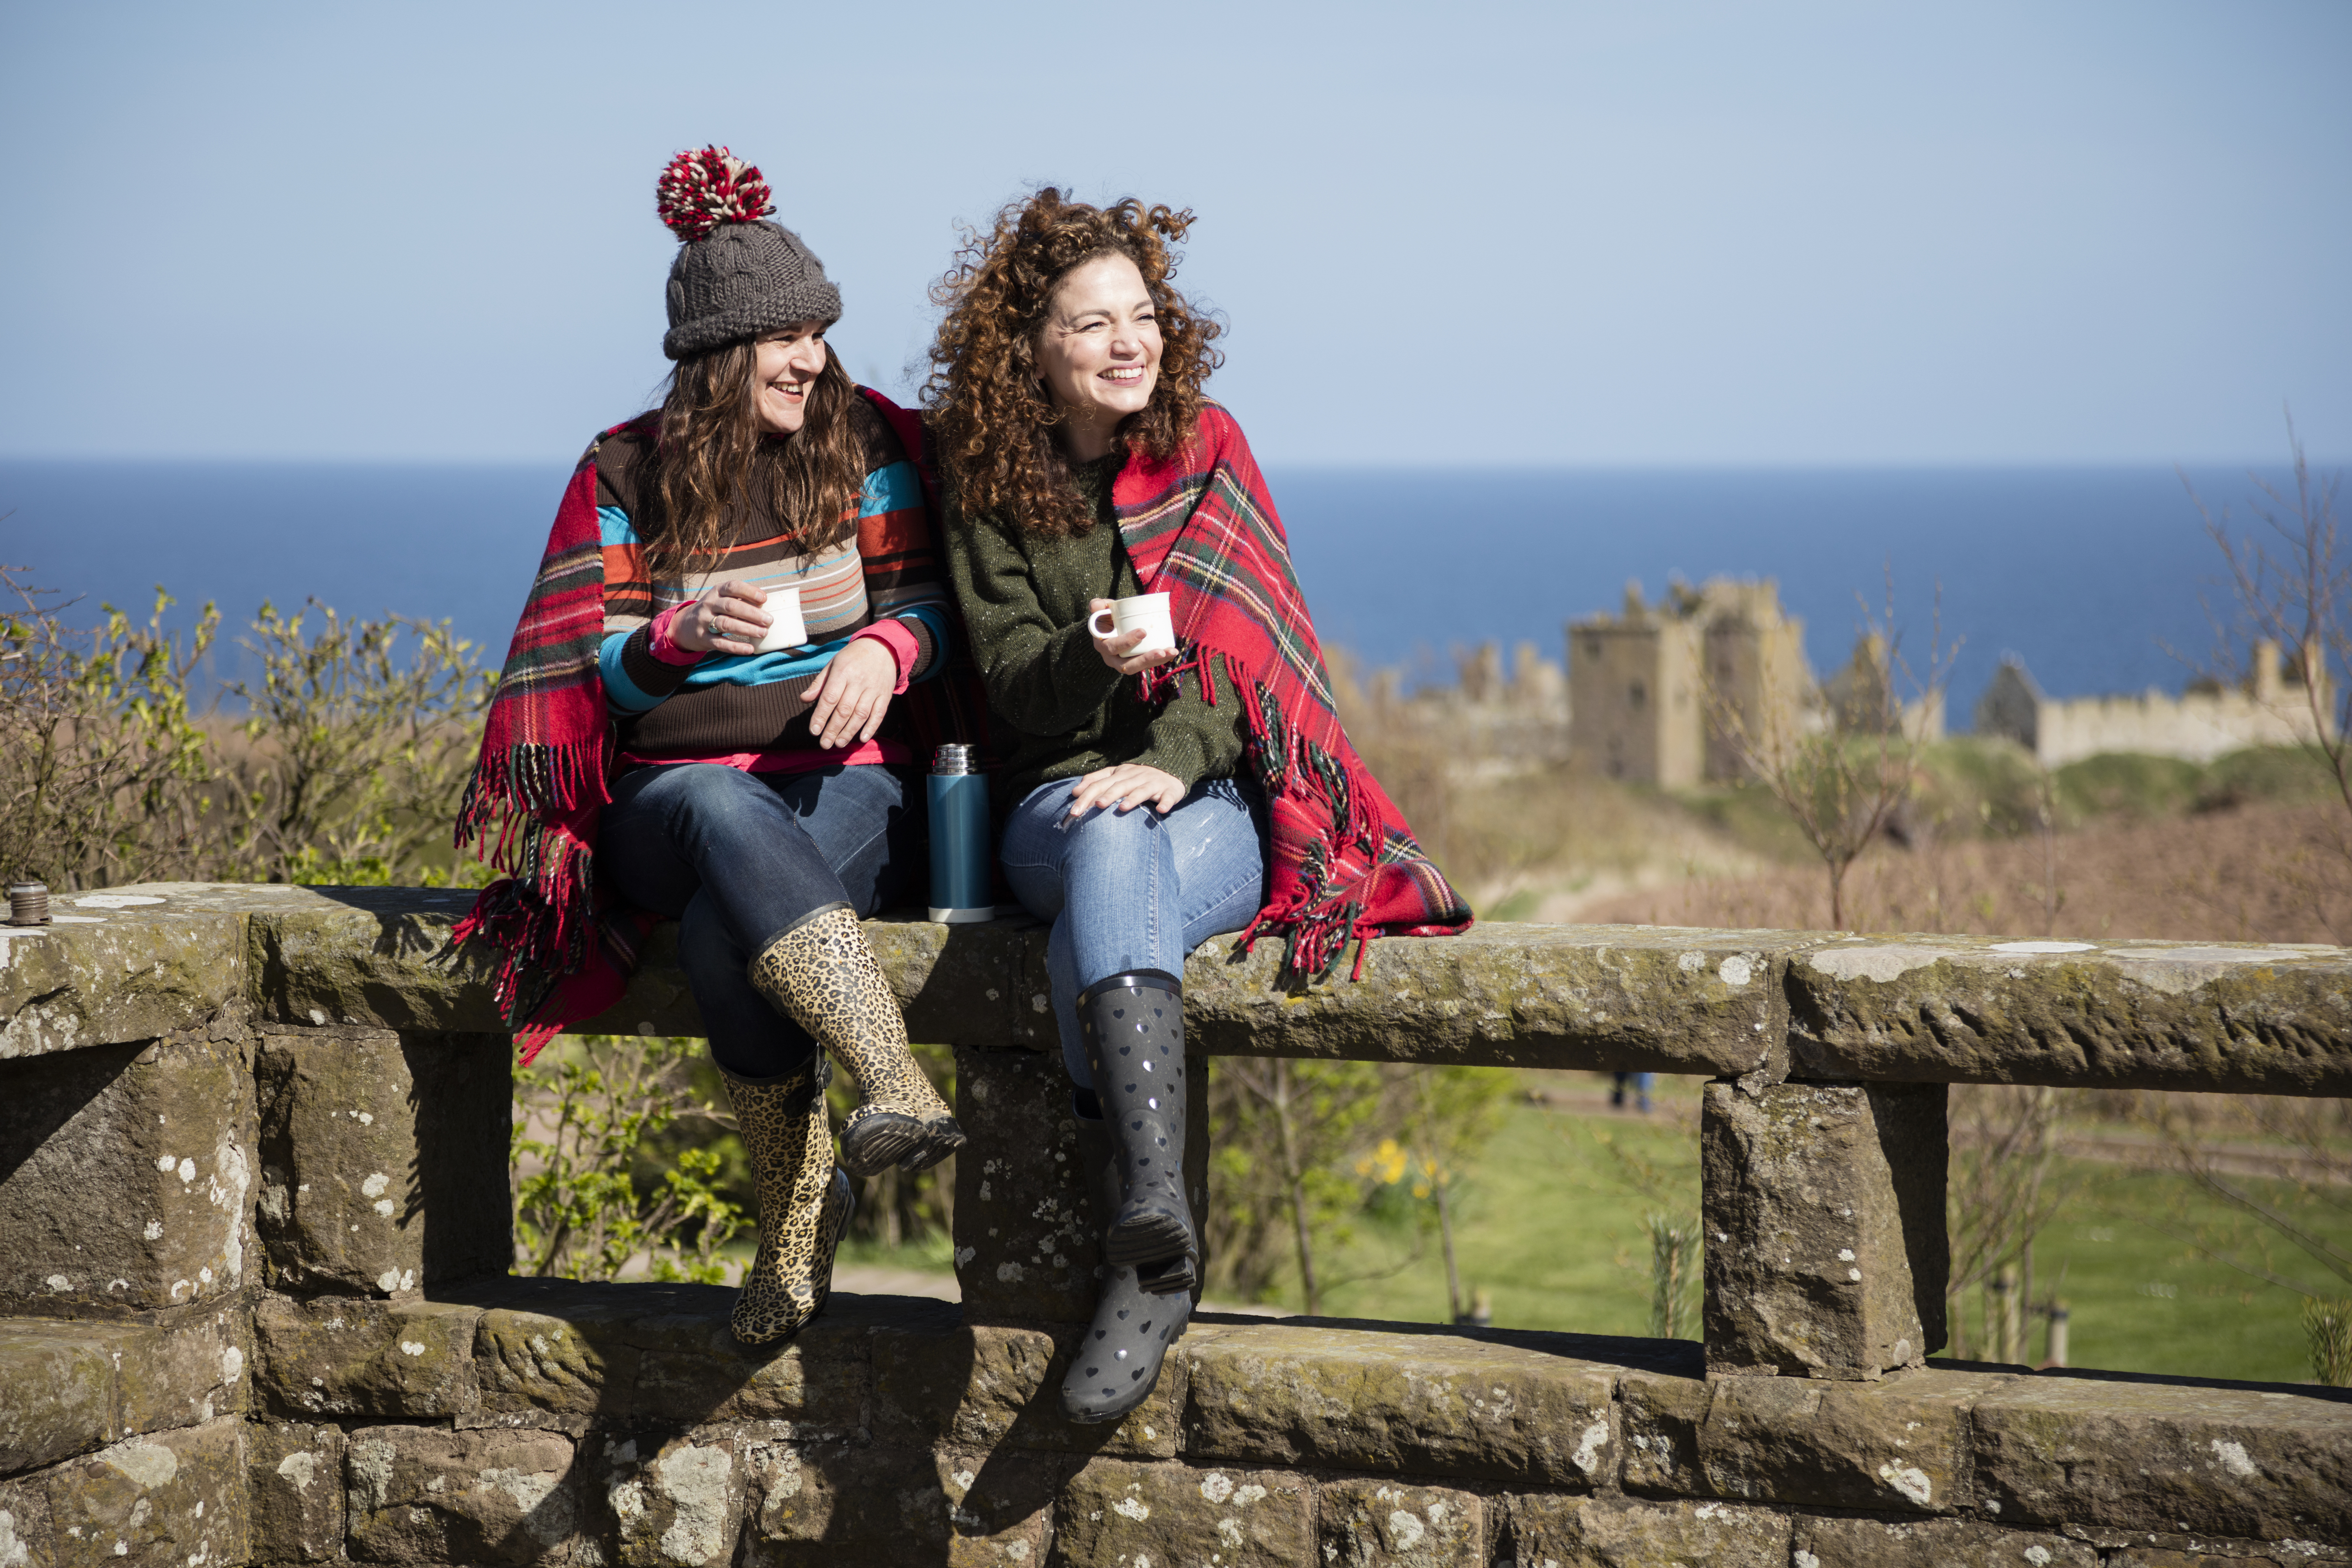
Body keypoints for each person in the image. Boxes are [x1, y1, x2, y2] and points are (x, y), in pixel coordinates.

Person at [928, 189, 1471, 1422]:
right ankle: (1160, 1226)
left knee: (1129, 848)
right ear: (1031, 349)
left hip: (1212, 802)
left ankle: (1150, 1228)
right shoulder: (987, 481)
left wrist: (1171, 757)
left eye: (1144, 316)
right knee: (1104, 834)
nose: (1130, 342)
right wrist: (1097, 655)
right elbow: (1014, 684)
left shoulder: (1206, 445)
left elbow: (1245, 661)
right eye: (1092, 323)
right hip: (1047, 807)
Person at [456, 147, 971, 1345]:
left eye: (820, 333)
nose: (813, 359)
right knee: (712, 810)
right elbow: (603, 679)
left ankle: (792, 1235)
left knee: (716, 936)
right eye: (786, 338)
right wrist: (678, 638)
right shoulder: (626, 472)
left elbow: (935, 611)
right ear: (715, 355)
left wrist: (889, 650)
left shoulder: (865, 448)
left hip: (847, 789)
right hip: (671, 802)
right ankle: (890, 1078)